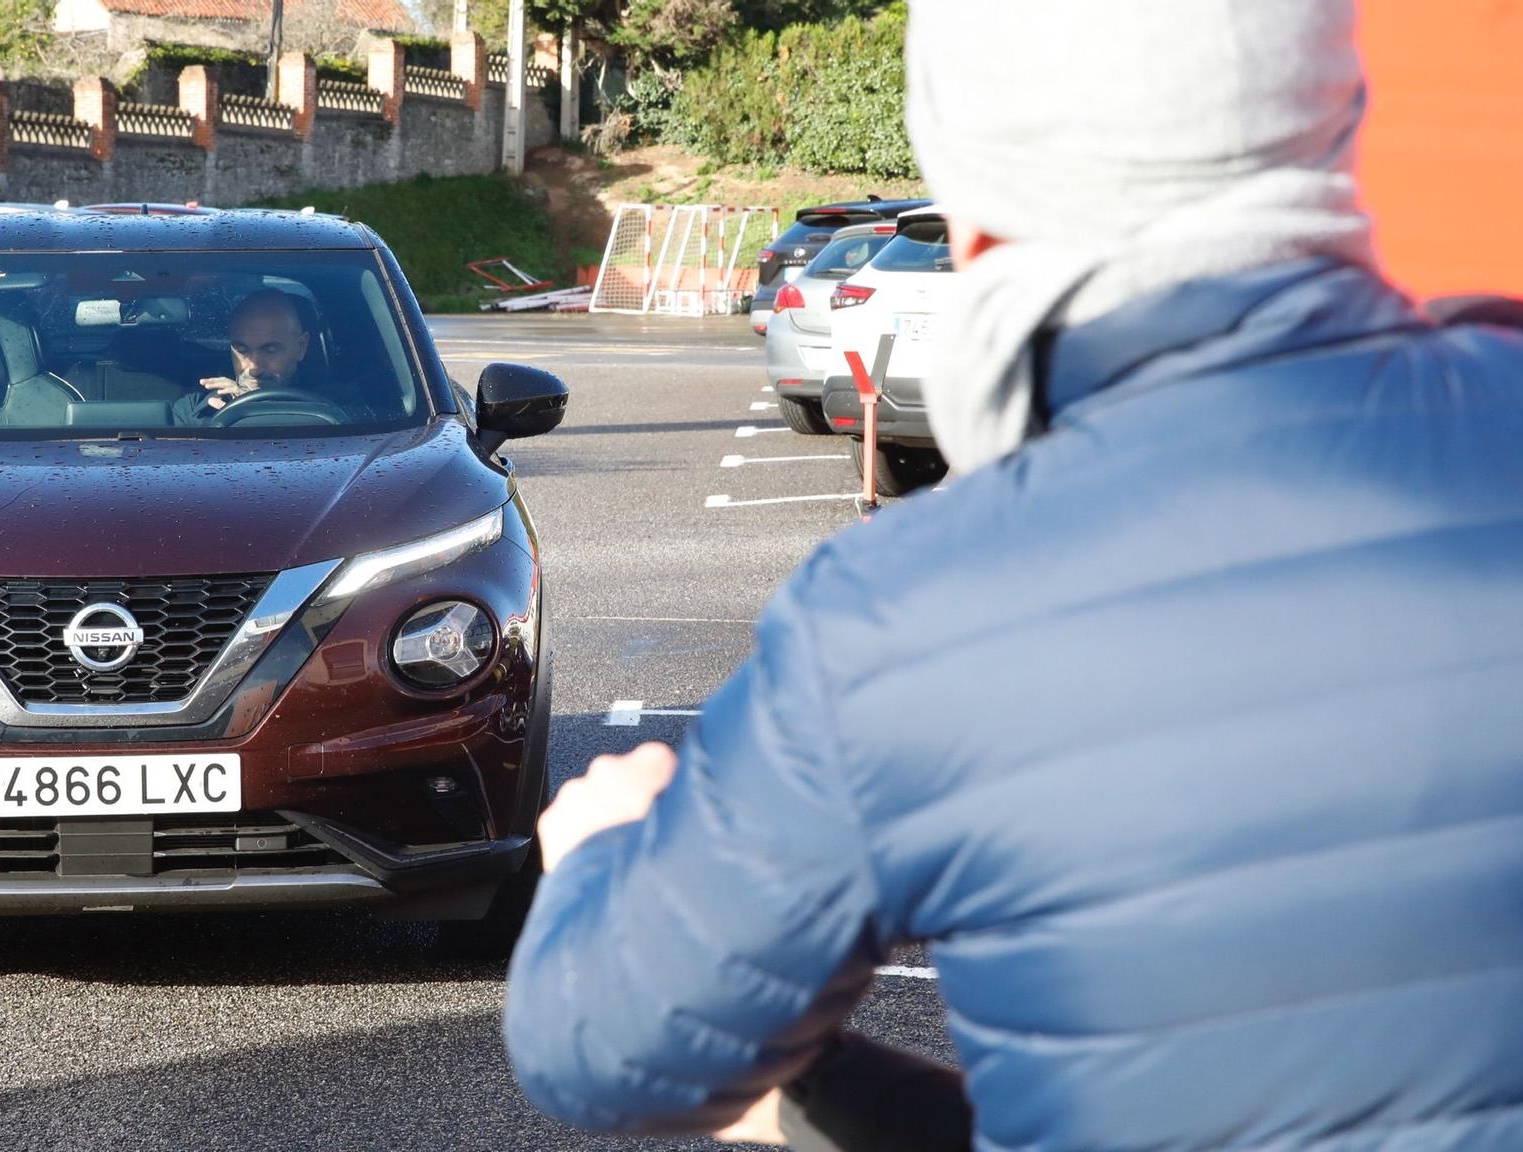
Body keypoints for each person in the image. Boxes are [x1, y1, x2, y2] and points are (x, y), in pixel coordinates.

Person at [503, 2, 1523, 1149]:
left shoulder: (908, 614)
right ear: (1337, 124)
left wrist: (598, 864)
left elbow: (603, 1053)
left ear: (975, 209)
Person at [171, 288, 318, 421]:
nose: (253, 368)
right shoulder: (194, 410)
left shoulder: (333, 407)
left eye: (270, 350)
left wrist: (253, 410)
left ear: (300, 347)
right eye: (242, 350)